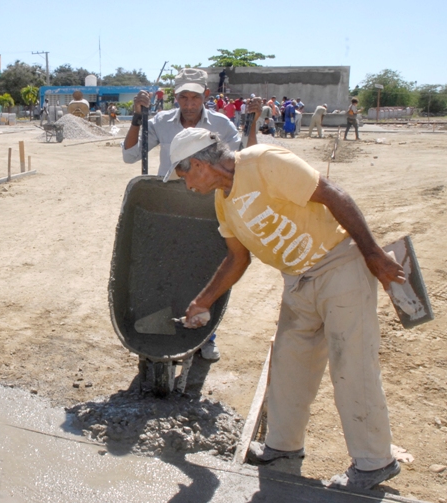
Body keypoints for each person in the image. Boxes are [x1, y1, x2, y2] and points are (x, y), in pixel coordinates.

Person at [165, 121, 405, 491]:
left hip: (339, 265)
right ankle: (283, 448)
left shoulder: (262, 162)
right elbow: (237, 259)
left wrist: (373, 254)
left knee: (351, 363)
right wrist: (203, 300)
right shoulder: (223, 201)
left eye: (183, 174)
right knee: (290, 366)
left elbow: (334, 195)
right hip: (297, 279)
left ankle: (375, 463)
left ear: (198, 164)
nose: (186, 184)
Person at [121, 68, 260, 361]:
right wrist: (137, 115)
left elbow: (245, 159)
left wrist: (252, 123)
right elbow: (131, 154)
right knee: (162, 267)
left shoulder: (221, 124)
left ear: (205, 96)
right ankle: (158, 325)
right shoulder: (160, 122)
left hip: (207, 208)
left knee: (206, 267)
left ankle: (206, 336)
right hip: (166, 206)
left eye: (194, 97)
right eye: (183, 97)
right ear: (176, 98)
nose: (189, 103)